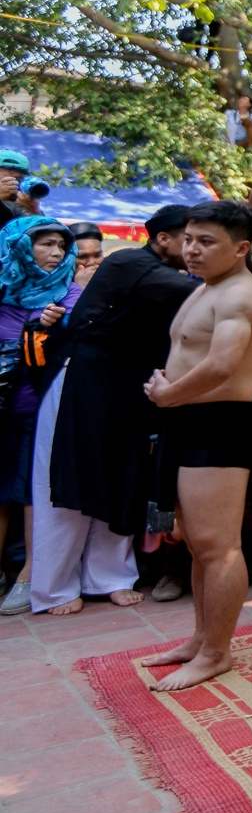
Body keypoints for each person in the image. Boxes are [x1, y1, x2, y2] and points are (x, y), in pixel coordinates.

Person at [35, 205, 196, 615]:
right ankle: (54, 587)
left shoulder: (169, 274)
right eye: (191, 239)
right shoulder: (131, 261)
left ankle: (109, 577)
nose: (196, 249)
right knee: (67, 485)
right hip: (81, 382)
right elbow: (200, 295)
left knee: (122, 476)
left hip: (127, 388)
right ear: (163, 239)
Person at [140, 201, 252, 691]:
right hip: (189, 418)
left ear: (240, 248)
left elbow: (222, 364)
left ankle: (216, 651)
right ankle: (200, 638)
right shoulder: (208, 288)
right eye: (189, 239)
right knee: (196, 543)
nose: (192, 249)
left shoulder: (239, 294)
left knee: (218, 545)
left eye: (205, 241)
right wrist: (169, 391)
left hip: (220, 422)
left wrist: (169, 392)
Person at [0, 218, 82, 616]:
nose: (56, 253)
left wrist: (50, 328)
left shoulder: (69, 293)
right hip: (3, 411)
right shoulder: (2, 288)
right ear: (18, 246)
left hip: (42, 411)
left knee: (31, 492)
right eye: (46, 244)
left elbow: (77, 343)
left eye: (61, 246)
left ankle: (30, 575)